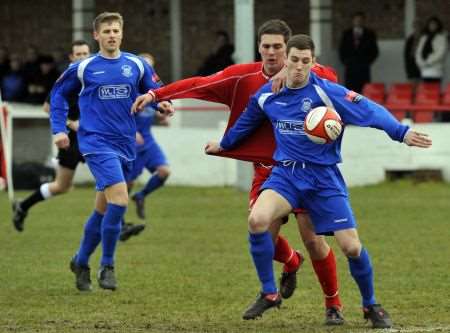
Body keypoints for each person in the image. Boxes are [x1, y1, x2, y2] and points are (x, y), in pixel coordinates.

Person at [204, 34, 432, 329]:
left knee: (350, 247)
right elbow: (244, 124)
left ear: (314, 63)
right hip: (286, 175)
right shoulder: (267, 95)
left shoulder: (327, 93)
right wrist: (224, 144)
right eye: (294, 60)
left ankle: (370, 305)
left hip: (323, 179)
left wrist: (401, 132)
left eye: (305, 61)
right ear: (286, 60)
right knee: (257, 219)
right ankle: (270, 293)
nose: (298, 67)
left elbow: (370, 111)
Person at [132, 20, 344, 325]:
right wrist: (155, 95)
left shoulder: (308, 75)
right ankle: (288, 265)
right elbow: (198, 84)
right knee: (262, 237)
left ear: (289, 49)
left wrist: (292, 70)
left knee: (313, 240)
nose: (272, 53)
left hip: (306, 171)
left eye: (278, 48)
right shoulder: (243, 77)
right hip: (267, 172)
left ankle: (333, 305)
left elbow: (332, 77)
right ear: (259, 47)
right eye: (266, 47)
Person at [49, 12, 173, 292]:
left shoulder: (136, 64)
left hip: (125, 144)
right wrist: (58, 128)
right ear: (96, 36)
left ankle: (80, 261)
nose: (112, 35)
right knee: (119, 200)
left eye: (116, 30)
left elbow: (154, 91)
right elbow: (57, 94)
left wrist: (162, 104)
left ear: (121, 33)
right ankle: (108, 264)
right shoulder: (84, 67)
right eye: (106, 31)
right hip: (95, 143)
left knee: (102, 209)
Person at [11, 40, 91, 232]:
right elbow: (47, 108)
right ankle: (23, 206)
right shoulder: (65, 79)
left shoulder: (94, 76)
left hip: (92, 137)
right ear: (72, 57)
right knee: (62, 186)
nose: (82, 57)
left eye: (85, 53)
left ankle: (118, 225)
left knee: (109, 177)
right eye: (78, 54)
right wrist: (71, 123)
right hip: (71, 140)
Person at [123, 53, 171, 238]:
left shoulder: (152, 93)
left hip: (148, 141)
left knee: (164, 172)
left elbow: (154, 110)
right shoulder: (128, 90)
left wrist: (161, 117)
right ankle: (119, 223)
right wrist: (132, 132)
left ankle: (141, 196)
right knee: (125, 185)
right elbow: (121, 115)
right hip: (131, 143)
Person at [339, 11, 379, 93]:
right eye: (356, 20)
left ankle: (362, 106)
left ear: (364, 21)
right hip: (350, 68)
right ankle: (351, 106)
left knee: (364, 91)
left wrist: (367, 62)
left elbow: (375, 51)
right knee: (350, 92)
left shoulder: (370, 34)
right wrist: (346, 62)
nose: (358, 21)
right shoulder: (347, 34)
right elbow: (342, 50)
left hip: (363, 68)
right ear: (353, 21)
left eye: (360, 20)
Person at [415, 16, 448, 83]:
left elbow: (441, 53)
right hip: (424, 70)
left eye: (434, 24)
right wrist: (420, 62)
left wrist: (428, 62)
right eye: (430, 24)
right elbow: (418, 52)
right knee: (426, 91)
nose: (432, 26)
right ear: (428, 25)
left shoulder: (442, 38)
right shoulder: (423, 38)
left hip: (436, 70)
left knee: (434, 91)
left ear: (438, 26)